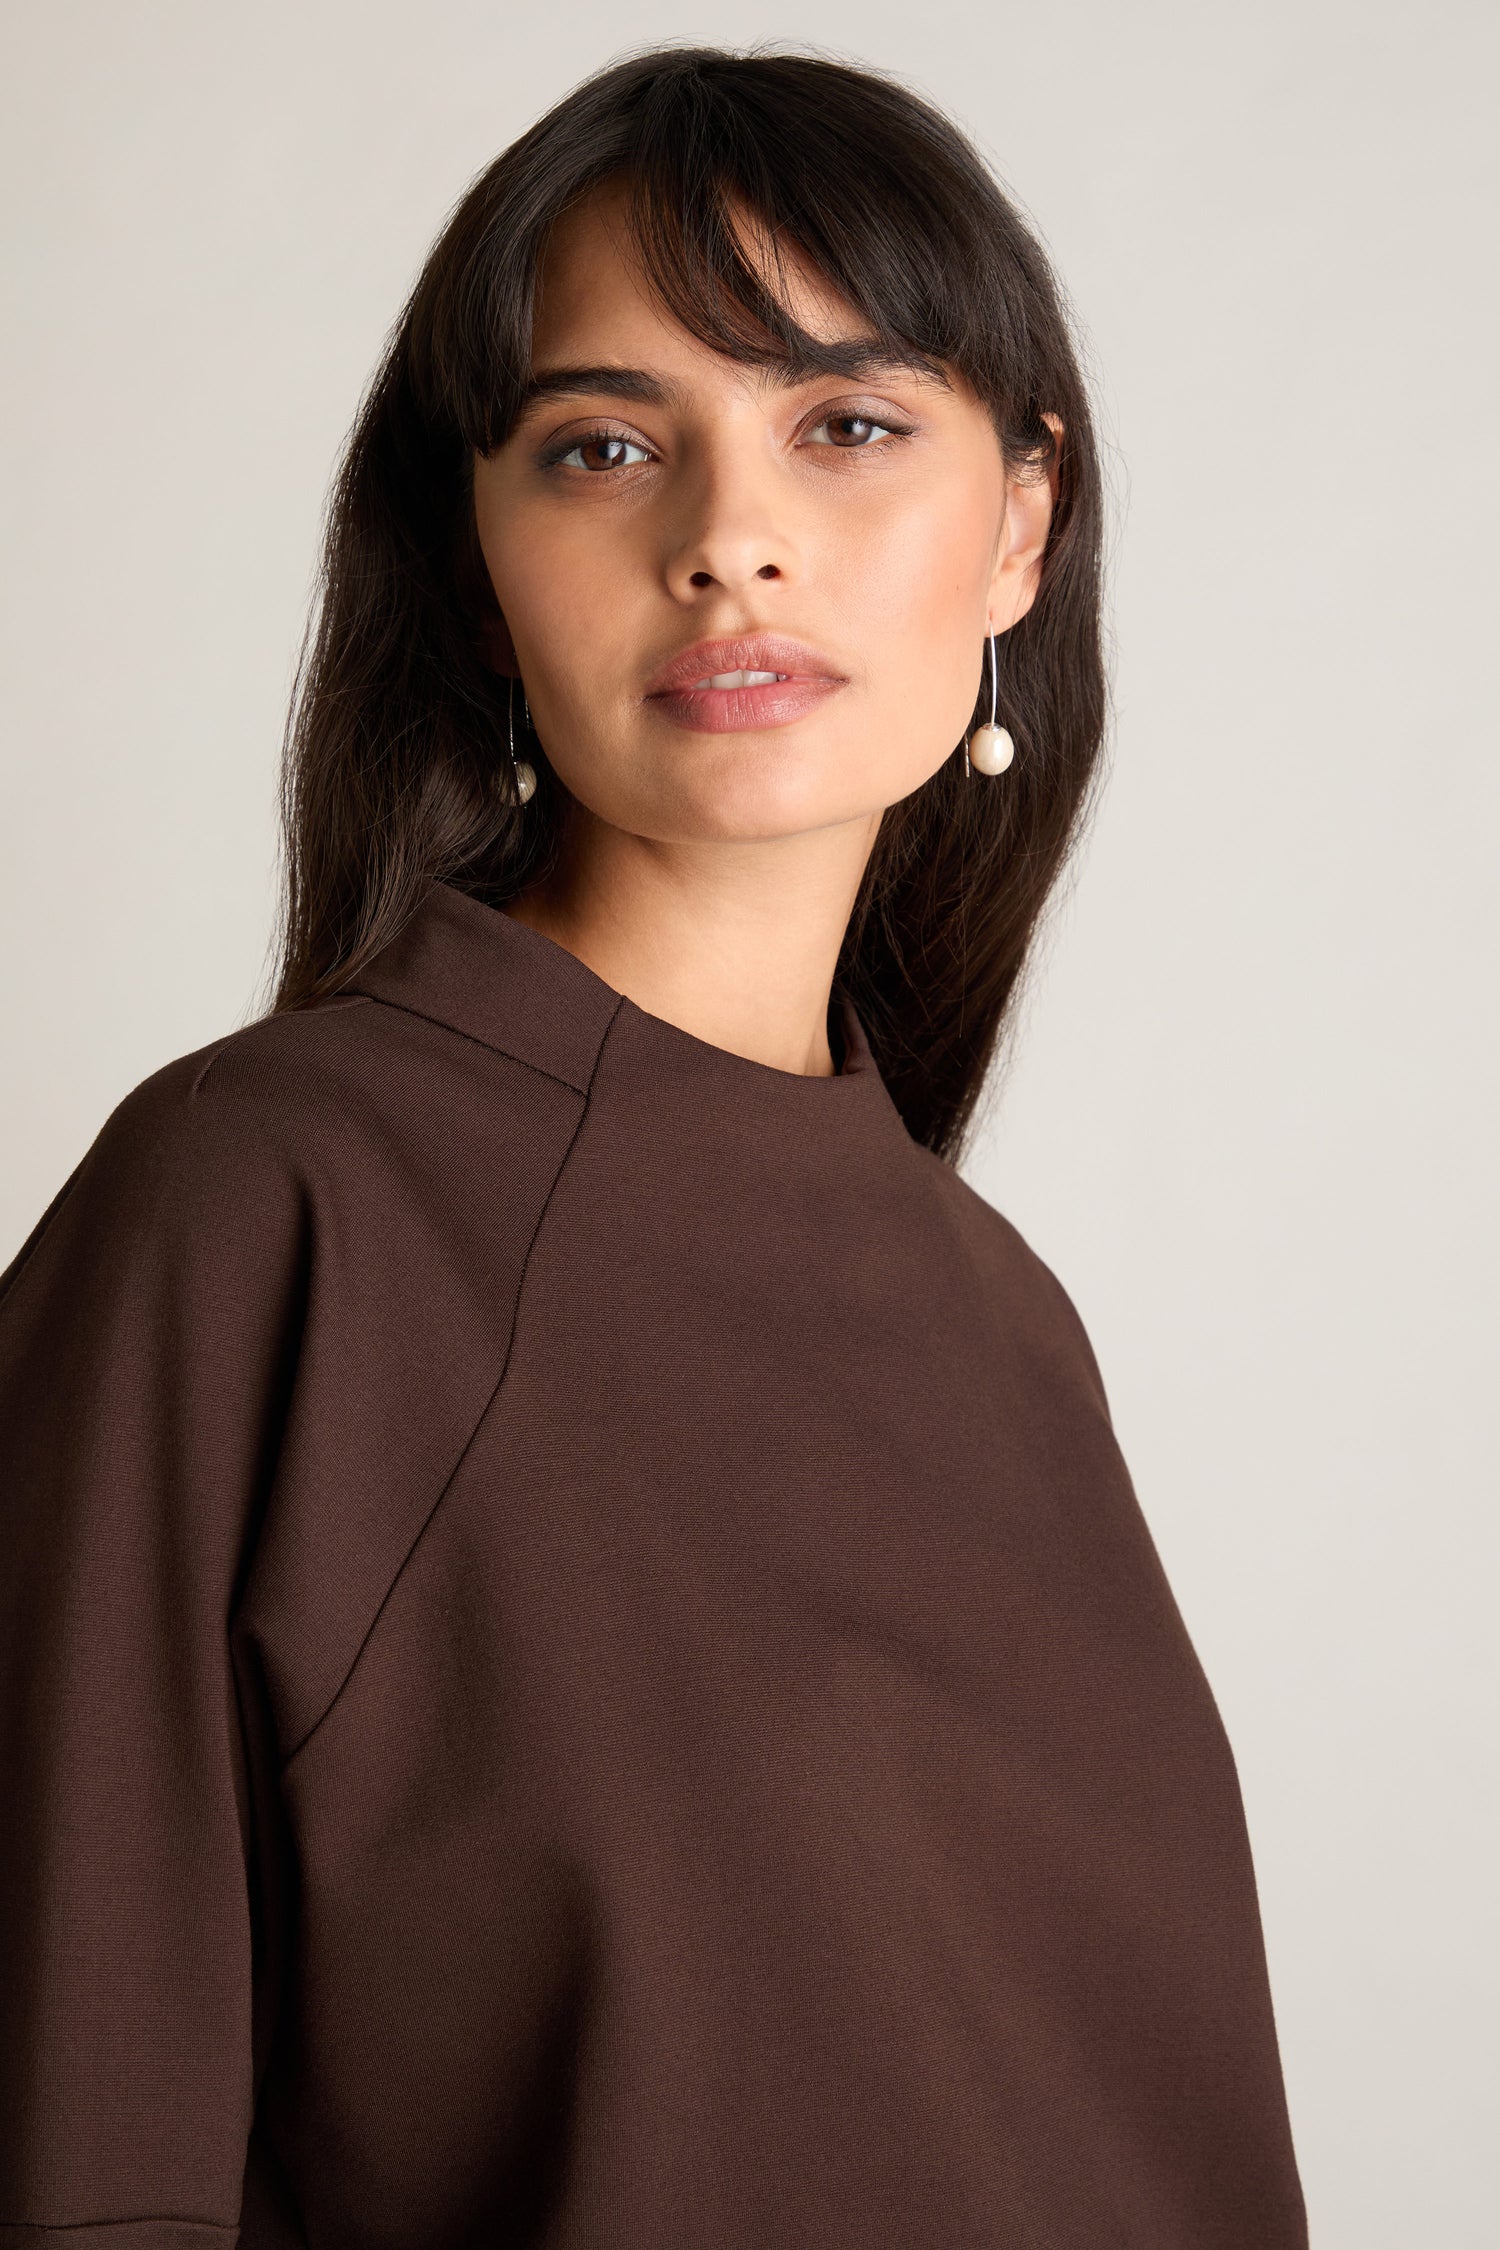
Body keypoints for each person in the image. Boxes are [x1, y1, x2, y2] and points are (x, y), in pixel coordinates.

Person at [0, 45, 1308, 2249]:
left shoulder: (1002, 1323)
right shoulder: (267, 1207)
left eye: (848, 424)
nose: (729, 539)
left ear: (1021, 524)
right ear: (478, 547)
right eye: (604, 445)